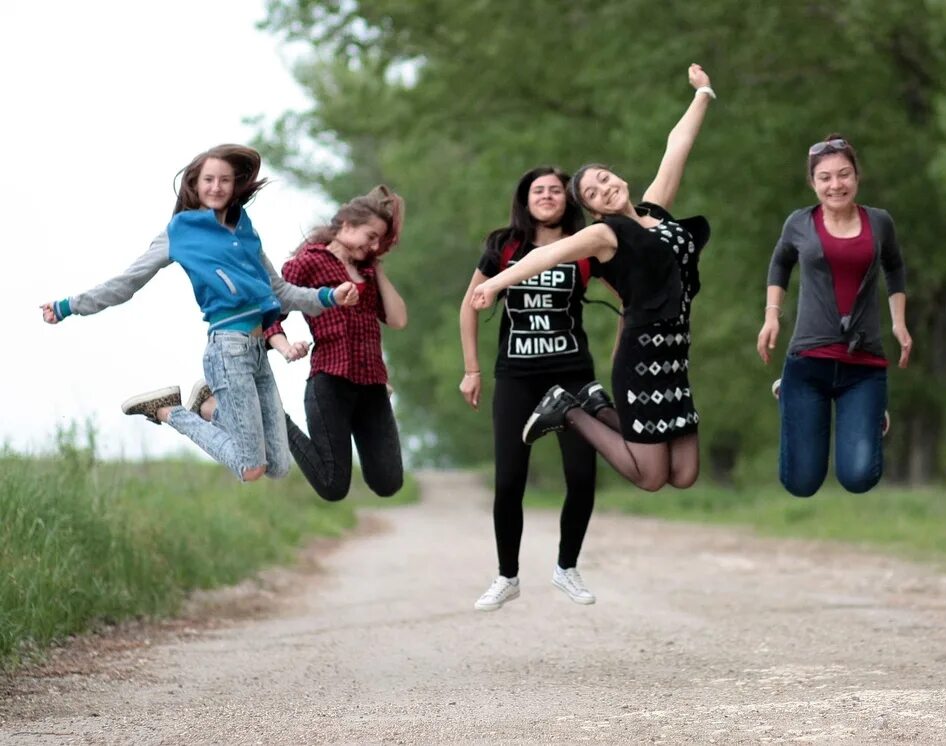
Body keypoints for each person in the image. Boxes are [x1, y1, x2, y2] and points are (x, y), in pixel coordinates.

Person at [41, 144, 358, 481]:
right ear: (195, 184)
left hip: (257, 352)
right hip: (228, 350)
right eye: (209, 179)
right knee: (251, 468)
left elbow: (280, 292)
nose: (216, 187)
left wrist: (330, 296)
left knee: (277, 467)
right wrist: (69, 306)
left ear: (235, 185)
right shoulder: (180, 232)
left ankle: (207, 405)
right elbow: (128, 281)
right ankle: (171, 411)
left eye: (224, 180)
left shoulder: (245, 231)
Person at [470, 64, 714, 494]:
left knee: (685, 474)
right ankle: (569, 411)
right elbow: (548, 254)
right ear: (594, 210)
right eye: (593, 195)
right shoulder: (604, 235)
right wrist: (493, 284)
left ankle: (598, 407)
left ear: (618, 177)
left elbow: (678, 145)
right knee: (652, 477)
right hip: (643, 359)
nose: (605, 189)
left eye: (605, 179)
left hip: (677, 355)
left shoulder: (655, 211)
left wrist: (702, 93)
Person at [195, 186, 408, 501]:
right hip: (331, 382)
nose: (374, 246)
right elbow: (271, 312)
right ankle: (271, 418)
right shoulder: (306, 263)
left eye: (379, 241)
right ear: (347, 225)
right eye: (371, 236)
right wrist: (283, 346)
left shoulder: (368, 271)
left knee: (388, 482)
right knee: (332, 486)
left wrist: (376, 268)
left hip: (374, 386)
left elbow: (398, 319)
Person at [460, 167, 605, 611]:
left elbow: (631, 295)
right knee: (509, 481)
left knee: (582, 476)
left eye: (556, 190)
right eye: (538, 190)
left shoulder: (586, 245)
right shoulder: (504, 245)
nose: (547, 196)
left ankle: (567, 567)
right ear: (526, 199)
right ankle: (507, 576)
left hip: (573, 373)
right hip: (517, 376)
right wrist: (472, 369)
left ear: (568, 199)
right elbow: (470, 304)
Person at [756, 135, 911, 497]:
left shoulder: (880, 222)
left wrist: (899, 323)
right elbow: (780, 263)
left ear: (857, 177)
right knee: (801, 483)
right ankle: (790, 390)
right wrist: (771, 316)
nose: (835, 185)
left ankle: (871, 415)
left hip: (864, 363)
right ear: (813, 183)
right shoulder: (799, 223)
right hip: (809, 360)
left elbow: (895, 267)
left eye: (844, 175)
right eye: (825, 177)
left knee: (859, 478)